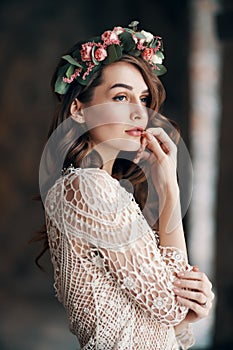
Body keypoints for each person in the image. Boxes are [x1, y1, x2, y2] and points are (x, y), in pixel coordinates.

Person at [39, 21, 214, 349]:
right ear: (79, 109)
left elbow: (171, 319)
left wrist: (186, 311)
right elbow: (171, 304)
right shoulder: (87, 188)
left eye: (144, 99)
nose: (139, 112)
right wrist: (170, 189)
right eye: (121, 96)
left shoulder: (106, 188)